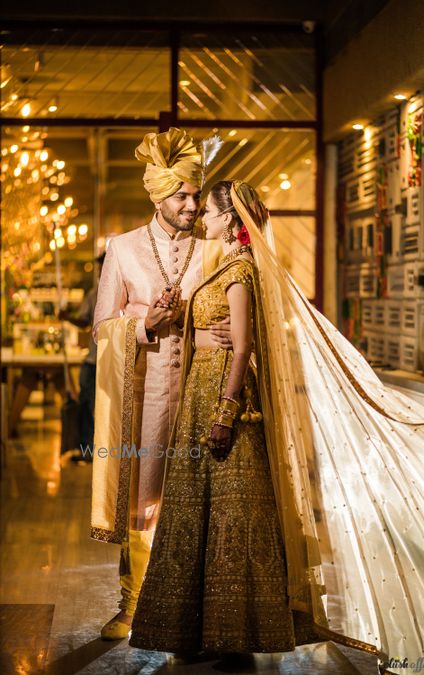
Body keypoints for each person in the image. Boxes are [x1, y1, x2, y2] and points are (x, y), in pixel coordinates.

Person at [130, 180, 424, 666]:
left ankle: (233, 633)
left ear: (232, 219)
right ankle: (196, 630)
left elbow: (242, 348)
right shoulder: (226, 267)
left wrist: (225, 412)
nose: (203, 218)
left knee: (234, 520)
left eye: (212, 212)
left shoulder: (240, 272)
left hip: (223, 401)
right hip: (201, 394)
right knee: (203, 515)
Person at [91, 128, 230, 640]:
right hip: (144, 395)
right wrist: (146, 324)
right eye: (183, 196)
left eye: (196, 195)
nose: (193, 205)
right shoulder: (123, 249)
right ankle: (132, 602)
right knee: (143, 495)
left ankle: (191, 608)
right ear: (159, 198)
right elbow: (103, 327)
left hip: (201, 392)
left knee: (196, 497)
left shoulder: (214, 252)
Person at [59, 252, 105, 462]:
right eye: (99, 268)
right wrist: (68, 318)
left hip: (111, 362)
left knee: (106, 407)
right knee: (86, 403)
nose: (101, 272)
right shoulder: (94, 294)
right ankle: (88, 448)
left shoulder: (129, 292)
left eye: (103, 266)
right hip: (93, 360)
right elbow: (85, 322)